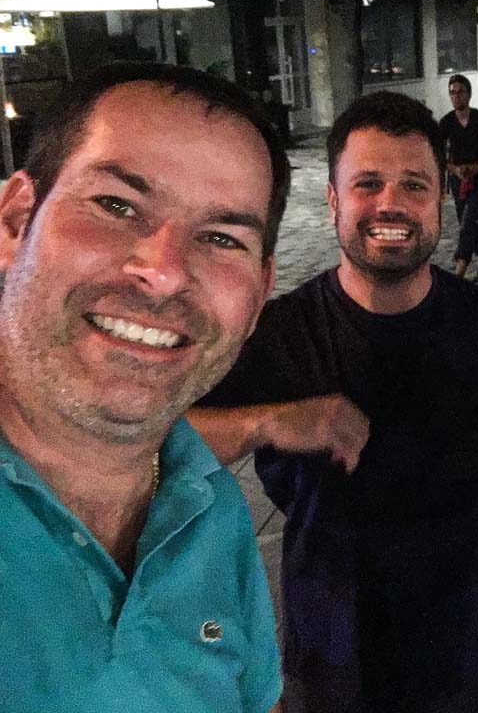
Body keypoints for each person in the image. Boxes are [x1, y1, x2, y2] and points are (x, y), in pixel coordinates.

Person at [189, 91, 478, 713]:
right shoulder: (278, 334)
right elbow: (160, 443)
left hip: (472, 653)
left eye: (414, 185)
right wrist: (269, 422)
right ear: (333, 199)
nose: (390, 203)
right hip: (333, 654)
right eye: (368, 184)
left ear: (440, 198)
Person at [0, 62, 290, 712]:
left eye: (221, 238)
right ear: (17, 221)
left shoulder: (209, 505)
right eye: (116, 206)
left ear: (260, 294)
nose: (163, 272)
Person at [439, 73, 478, 281]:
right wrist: (454, 169)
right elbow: (438, 155)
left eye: (461, 92)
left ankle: (460, 269)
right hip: (458, 181)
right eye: (453, 92)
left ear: (469, 94)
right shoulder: (446, 123)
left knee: (469, 221)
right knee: (469, 222)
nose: (456, 96)